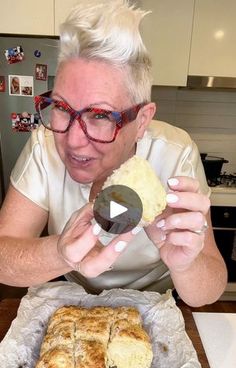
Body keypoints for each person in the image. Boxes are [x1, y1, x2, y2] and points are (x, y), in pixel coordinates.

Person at [0, 0, 227, 307]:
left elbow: (208, 290)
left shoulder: (176, 153)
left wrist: (185, 264)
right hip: (73, 302)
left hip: (152, 307)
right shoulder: (44, 145)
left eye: (102, 116)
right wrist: (60, 253)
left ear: (142, 120)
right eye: (62, 108)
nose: (74, 141)